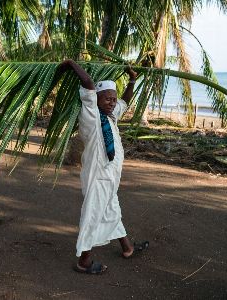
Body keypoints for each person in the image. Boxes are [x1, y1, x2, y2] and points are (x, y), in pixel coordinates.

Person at [58, 59, 149, 274]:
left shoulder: (111, 116)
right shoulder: (91, 114)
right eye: (107, 98)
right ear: (96, 99)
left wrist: (132, 81)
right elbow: (88, 83)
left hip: (110, 176)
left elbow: (124, 102)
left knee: (111, 210)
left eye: (113, 99)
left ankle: (127, 248)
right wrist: (70, 63)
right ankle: (84, 261)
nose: (111, 102)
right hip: (98, 176)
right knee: (94, 214)